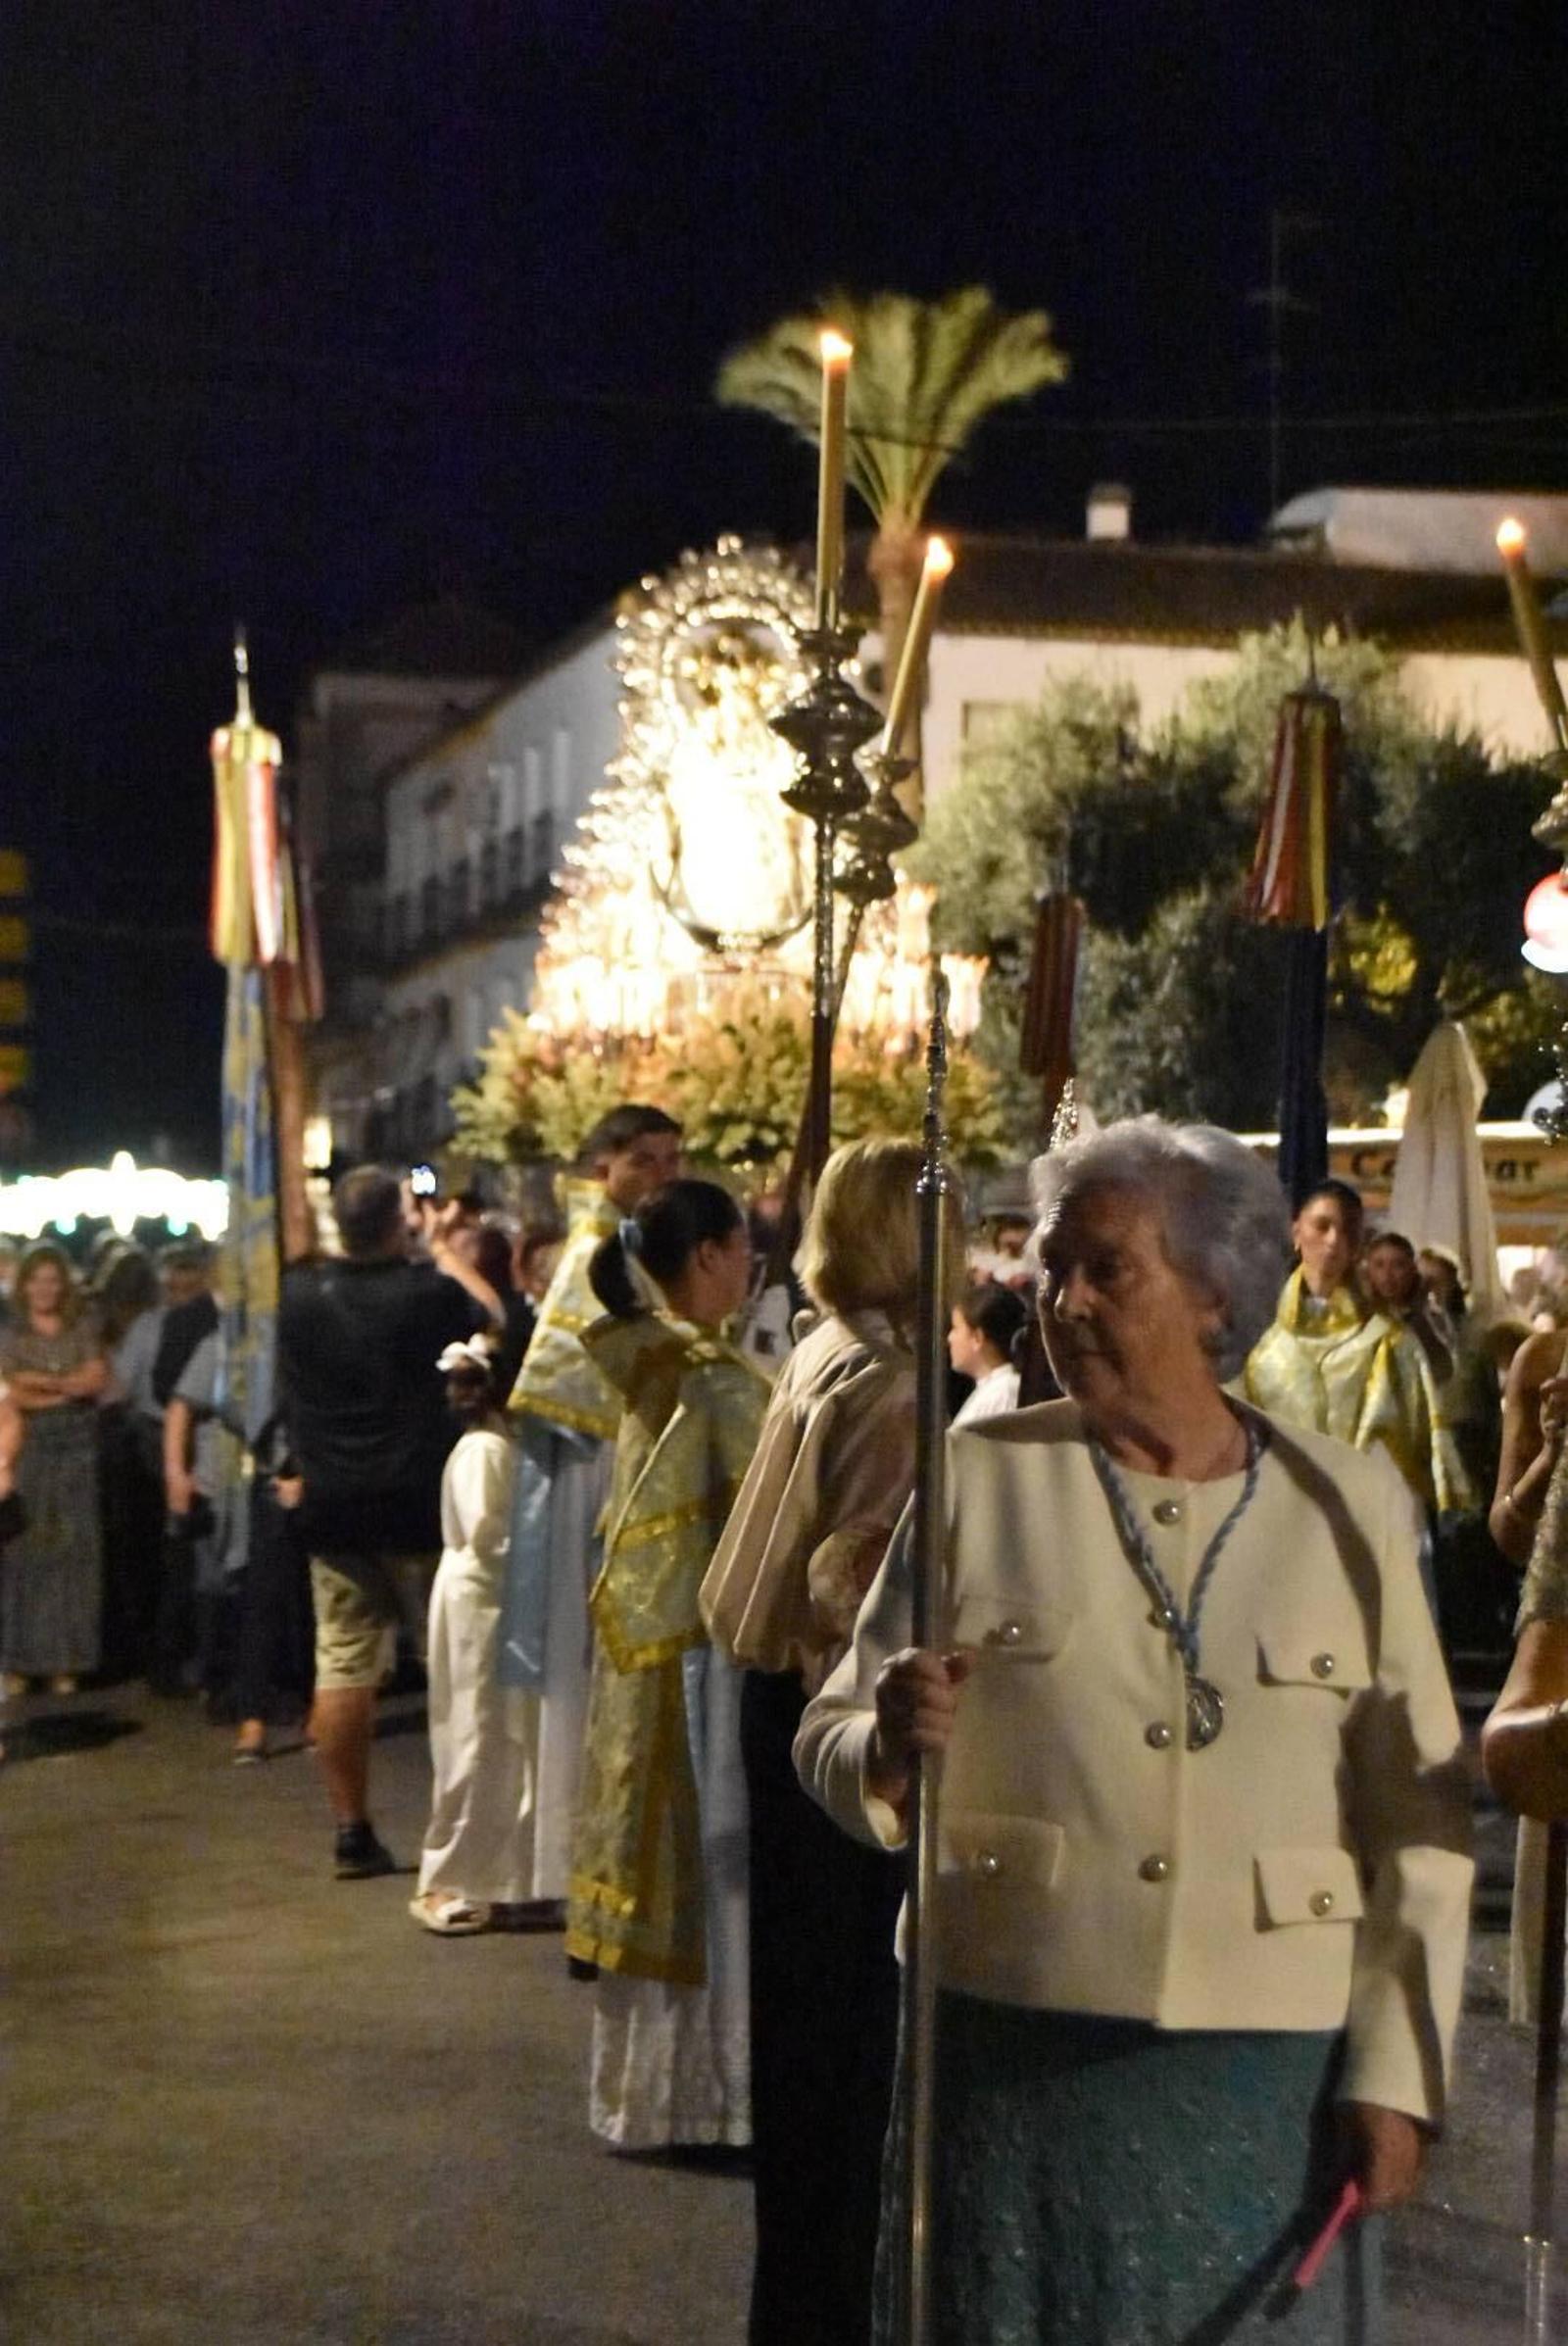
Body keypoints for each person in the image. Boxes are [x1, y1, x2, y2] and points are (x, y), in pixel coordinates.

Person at [798, 1116, 1474, 2346]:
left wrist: (1397, 2075)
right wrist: (882, 1746)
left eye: (1105, 1269)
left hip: (1267, 2073)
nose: (1063, 1303)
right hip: (1011, 2058)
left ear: (1216, 1292)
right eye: (1050, 1270)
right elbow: (830, 1733)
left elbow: (1419, 1823)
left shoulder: (1349, 1504)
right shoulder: (979, 1476)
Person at [702, 1136, 960, 2346]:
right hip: (833, 1714)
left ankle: (796, 2301)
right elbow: (848, 1580)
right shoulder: (898, 1382)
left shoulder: (827, 1345)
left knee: (803, 2034)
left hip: (773, 1703)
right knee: (847, 2043)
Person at [566, 1180, 766, 2146]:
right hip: (702, 1658)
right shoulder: (711, 1379)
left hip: (642, 1656)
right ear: (711, 1256)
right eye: (744, 1248)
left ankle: (642, 2095)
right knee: (705, 1865)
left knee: (658, 1858)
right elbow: (772, 1517)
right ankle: (706, 2098)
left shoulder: (654, 1360)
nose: (752, 1267)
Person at [277, 1166, 500, 1878]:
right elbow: (494, 1316)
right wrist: (442, 1249)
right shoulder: (425, 1293)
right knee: (452, 1662)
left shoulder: (299, 1297)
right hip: (416, 1503)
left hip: (335, 1505)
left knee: (343, 1666)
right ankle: (465, 1826)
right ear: (396, 1221)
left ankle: (352, 1829)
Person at [503, 1104, 682, 1921]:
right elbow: (585, 1391)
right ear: (603, 1165)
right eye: (645, 1160)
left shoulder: (632, 1246)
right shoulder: (596, 1253)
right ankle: (572, 1856)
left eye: (672, 1160)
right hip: (593, 1469)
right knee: (584, 1659)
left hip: (621, 1461)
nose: (661, 1176)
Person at [1245, 1178, 1471, 1517]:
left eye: (1347, 1229)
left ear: (1359, 1244)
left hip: (1364, 1513)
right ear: (1297, 1232)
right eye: (1322, 1226)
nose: (1333, 1240)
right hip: (1272, 1511)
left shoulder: (1389, 1341)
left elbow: (1412, 1449)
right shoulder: (1259, 1341)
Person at [410, 1335, 531, 1934]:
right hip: (480, 1600)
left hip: (484, 1598)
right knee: (474, 1733)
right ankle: (447, 1877)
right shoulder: (486, 1449)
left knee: (491, 1736)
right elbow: (490, 1535)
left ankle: (495, 1874)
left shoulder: (491, 1444)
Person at [0, 1243, 109, 1695]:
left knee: (74, 1552)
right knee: (27, 1553)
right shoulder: (10, 1336)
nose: (44, 1289)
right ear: (24, 1286)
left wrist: (43, 1384)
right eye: (36, 1280)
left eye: (52, 1280)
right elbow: (12, 1392)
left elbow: (96, 1378)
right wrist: (64, 1389)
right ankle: (21, 1662)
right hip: (29, 1451)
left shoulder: (81, 1331)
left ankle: (67, 1662)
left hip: (78, 1452)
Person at [948, 1279, 1026, 1428]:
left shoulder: (1003, 1393)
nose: (950, 1338)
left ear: (977, 1338)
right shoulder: (992, 1390)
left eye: (956, 1328)